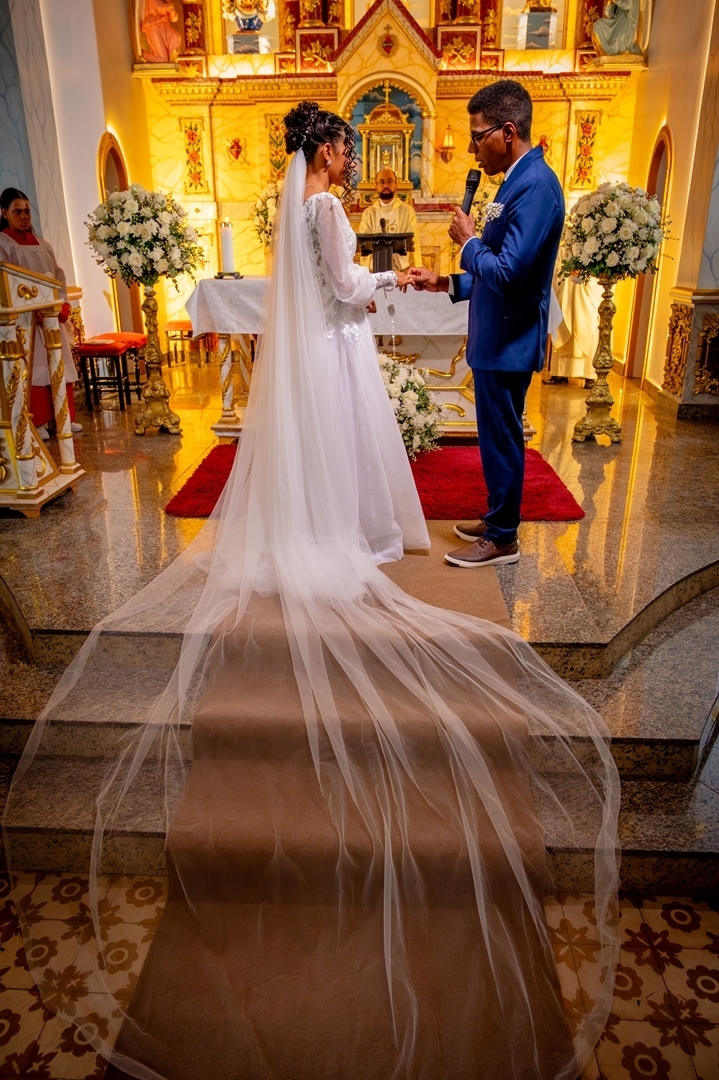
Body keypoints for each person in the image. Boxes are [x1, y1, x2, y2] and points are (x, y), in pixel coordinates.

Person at [5, 103, 619, 1080]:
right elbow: (339, 292)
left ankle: (317, 533)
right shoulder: (328, 209)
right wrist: (386, 276)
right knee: (348, 464)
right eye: (339, 142)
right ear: (327, 149)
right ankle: (339, 540)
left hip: (312, 357)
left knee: (321, 466)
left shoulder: (293, 207)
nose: (344, 154)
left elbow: (308, 286)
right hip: (335, 356)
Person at [409, 80, 565, 568]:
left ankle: (502, 539)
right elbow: (493, 274)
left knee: (503, 434)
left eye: (478, 136)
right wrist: (448, 283)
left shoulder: (536, 187)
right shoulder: (515, 181)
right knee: (495, 435)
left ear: (509, 130)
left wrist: (469, 241)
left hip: (510, 337)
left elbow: (509, 272)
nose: (473, 148)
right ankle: (499, 516)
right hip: (497, 331)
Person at [0, 188, 82, 439]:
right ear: (4, 213)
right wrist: (32, 311)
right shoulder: (4, 244)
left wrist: (63, 304)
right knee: (34, 368)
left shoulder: (42, 243)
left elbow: (57, 277)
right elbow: (6, 281)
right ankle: (38, 422)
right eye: (17, 212)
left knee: (58, 364)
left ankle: (63, 416)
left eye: (27, 211)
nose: (24, 217)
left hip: (51, 316)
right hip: (25, 321)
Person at [358, 168, 422, 270]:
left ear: (396, 185)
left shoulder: (407, 211)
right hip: (375, 273)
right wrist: (365, 273)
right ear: (376, 186)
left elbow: (414, 244)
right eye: (382, 182)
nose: (386, 185)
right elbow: (364, 248)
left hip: (402, 271)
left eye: (390, 181)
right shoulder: (368, 214)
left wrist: (417, 270)